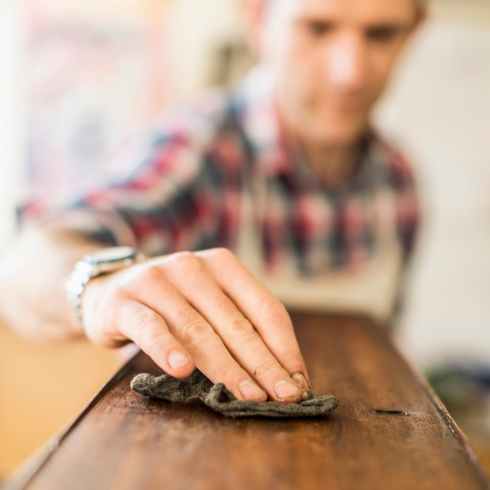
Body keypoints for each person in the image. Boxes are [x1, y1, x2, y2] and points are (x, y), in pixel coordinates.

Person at [0, 0, 423, 405]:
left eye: (381, 34)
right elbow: (28, 260)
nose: (349, 71)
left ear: (412, 33)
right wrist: (96, 290)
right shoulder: (197, 151)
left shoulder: (399, 180)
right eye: (317, 27)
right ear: (259, 19)